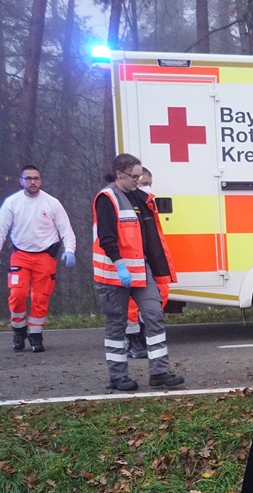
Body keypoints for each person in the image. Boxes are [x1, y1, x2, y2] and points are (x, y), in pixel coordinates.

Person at [93, 153, 185, 391]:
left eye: (140, 175)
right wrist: (120, 265)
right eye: (134, 176)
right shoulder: (107, 199)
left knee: (154, 315)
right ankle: (117, 376)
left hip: (140, 272)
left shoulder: (139, 198)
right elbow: (107, 238)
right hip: (114, 273)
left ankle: (160, 372)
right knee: (117, 324)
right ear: (119, 174)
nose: (138, 180)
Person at [0, 165, 77, 352]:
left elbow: (65, 229)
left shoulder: (52, 203)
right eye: (28, 178)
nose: (33, 182)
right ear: (21, 181)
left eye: (36, 178)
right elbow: (0, 228)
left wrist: (70, 250)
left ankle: (35, 334)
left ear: (41, 180)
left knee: (41, 297)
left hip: (45, 256)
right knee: (17, 294)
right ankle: (19, 331)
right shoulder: (12, 203)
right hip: (21, 256)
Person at [123, 165, 173, 359]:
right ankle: (133, 339)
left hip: (149, 259)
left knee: (162, 292)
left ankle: (143, 330)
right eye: (144, 183)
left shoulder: (148, 203)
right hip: (131, 260)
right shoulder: (126, 202)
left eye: (149, 184)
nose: (147, 188)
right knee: (131, 304)